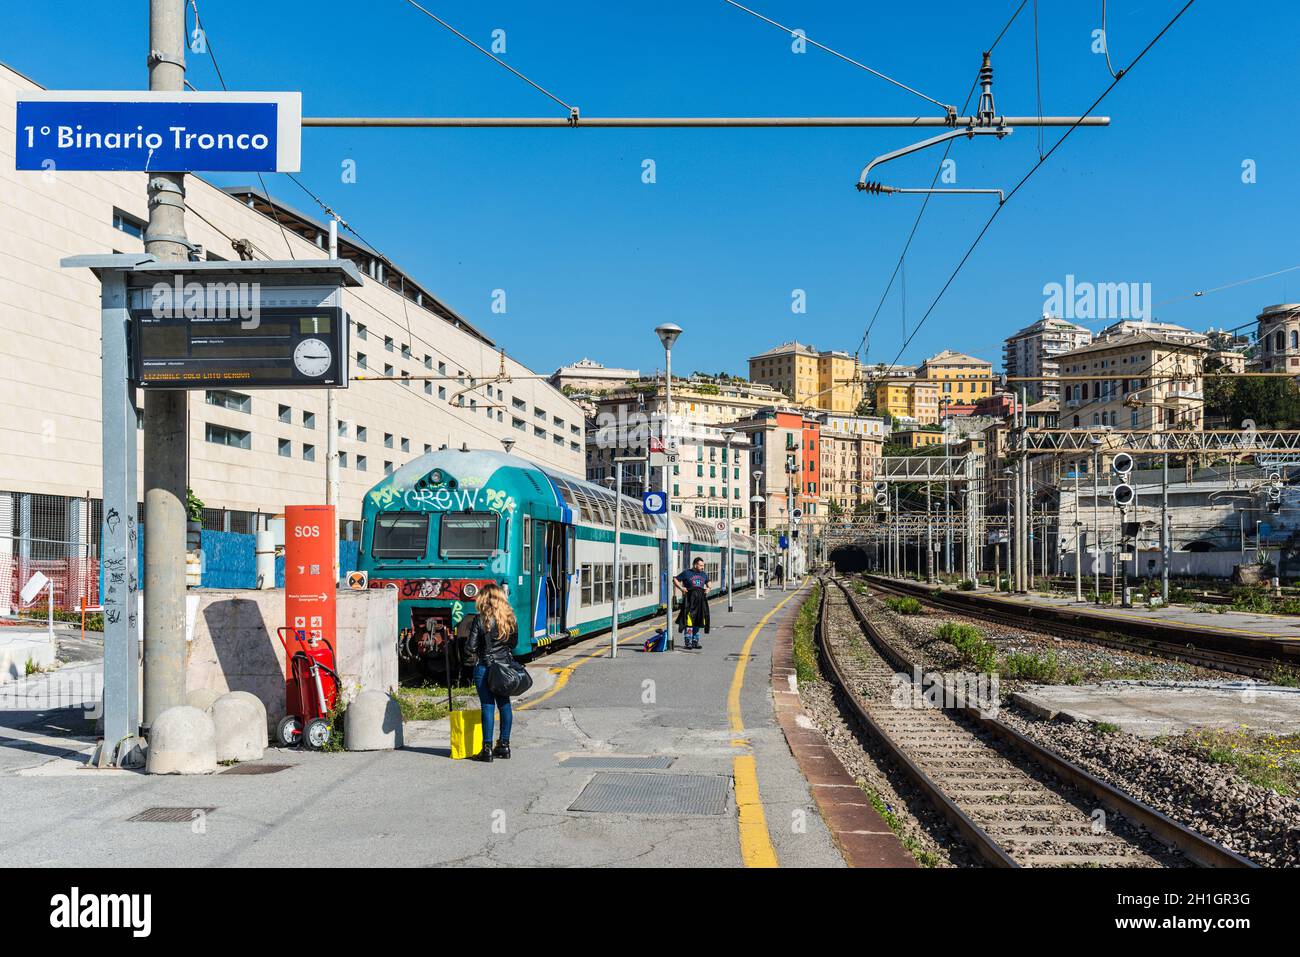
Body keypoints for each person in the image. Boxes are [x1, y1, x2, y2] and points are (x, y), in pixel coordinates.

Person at [465, 583, 517, 762]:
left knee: (487, 706)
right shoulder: (510, 618)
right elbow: (513, 644)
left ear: (484, 599)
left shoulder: (479, 620)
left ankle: (486, 749)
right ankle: (504, 746)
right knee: (504, 704)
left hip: (484, 667)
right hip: (504, 669)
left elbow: (470, 647)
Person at [674, 557, 711, 650]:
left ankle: (695, 642)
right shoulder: (687, 573)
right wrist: (681, 588)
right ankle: (688, 642)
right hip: (689, 602)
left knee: (697, 623)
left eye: (703, 565)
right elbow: (675, 579)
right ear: (695, 565)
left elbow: (709, 582)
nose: (702, 567)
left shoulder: (703, 574)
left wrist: (708, 588)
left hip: (700, 602)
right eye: (701, 565)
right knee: (689, 623)